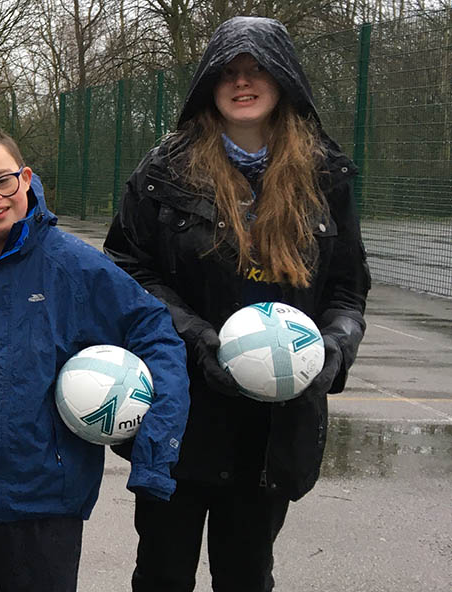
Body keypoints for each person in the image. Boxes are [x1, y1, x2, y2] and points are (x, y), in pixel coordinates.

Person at [102, 17, 370, 591]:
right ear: (208, 85)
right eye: (229, 72)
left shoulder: (325, 175)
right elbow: (127, 267)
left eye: (257, 70)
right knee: (162, 573)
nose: (242, 82)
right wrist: (196, 337)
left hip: (274, 423)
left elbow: (348, 286)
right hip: (181, 409)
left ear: (284, 80)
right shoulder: (163, 172)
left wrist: (333, 349)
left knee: (248, 575)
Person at [0, 125, 191, 592]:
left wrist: (154, 451)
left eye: (3, 181)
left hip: (45, 503)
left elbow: (157, 334)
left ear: (26, 178)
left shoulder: (75, 265)